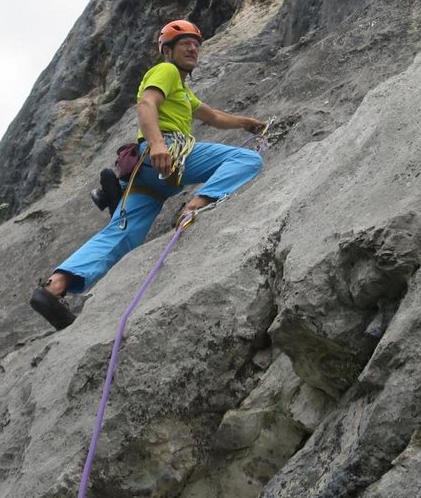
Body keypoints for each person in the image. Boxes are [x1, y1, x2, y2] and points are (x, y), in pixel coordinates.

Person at [29, 19, 265, 330]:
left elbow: (214, 116)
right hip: (168, 153)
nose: (193, 48)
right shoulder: (166, 71)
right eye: (185, 44)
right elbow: (146, 104)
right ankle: (197, 204)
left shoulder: (183, 91)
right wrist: (157, 144)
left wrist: (247, 123)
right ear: (167, 50)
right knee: (246, 159)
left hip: (151, 178)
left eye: (196, 44)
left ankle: (55, 286)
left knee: (123, 235)